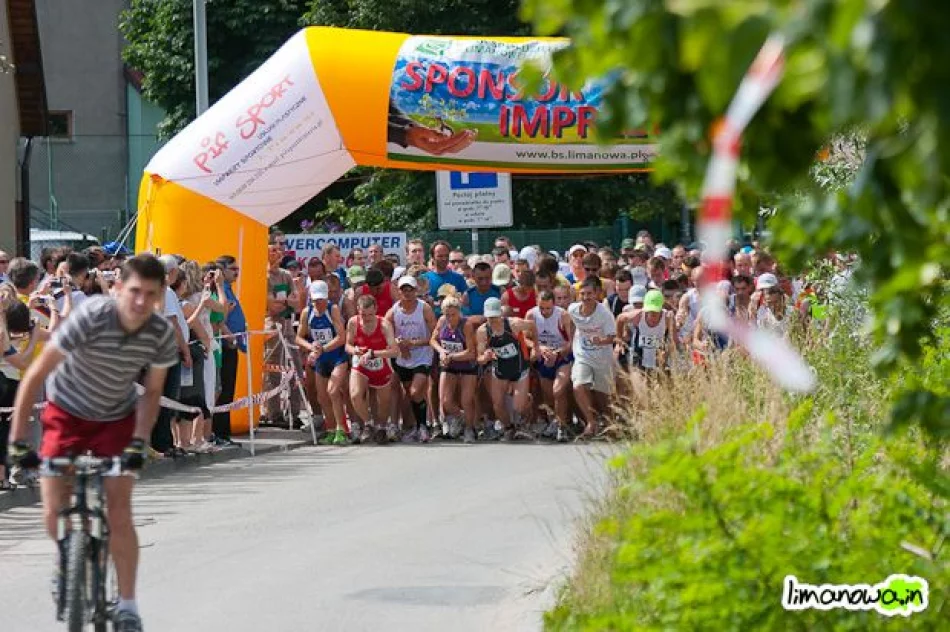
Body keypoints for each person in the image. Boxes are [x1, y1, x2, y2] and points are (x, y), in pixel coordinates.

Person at [7, 254, 178, 632]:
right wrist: (18, 442)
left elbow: (152, 393)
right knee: (53, 502)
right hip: (66, 410)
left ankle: (129, 606)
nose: (140, 302)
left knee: (119, 510)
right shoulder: (91, 316)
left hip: (115, 419)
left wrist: (139, 442)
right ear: (117, 289)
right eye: (134, 291)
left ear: (159, 297)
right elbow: (34, 375)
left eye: (150, 295)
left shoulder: (159, 333)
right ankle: (66, 558)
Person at [297, 281, 349, 445]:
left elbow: (342, 337)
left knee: (333, 391)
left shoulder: (332, 309)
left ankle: (342, 430)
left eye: (321, 300)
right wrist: (310, 346)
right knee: (322, 397)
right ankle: (331, 429)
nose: (318, 304)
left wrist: (323, 348)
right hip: (321, 359)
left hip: (337, 356)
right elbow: (299, 337)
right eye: (315, 300)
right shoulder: (307, 312)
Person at [476, 297, 535, 441]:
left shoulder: (514, 324)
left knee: (518, 407)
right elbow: (479, 357)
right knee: (497, 405)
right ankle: (509, 428)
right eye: (490, 317)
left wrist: (536, 347)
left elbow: (532, 325)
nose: (493, 320)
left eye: (495, 316)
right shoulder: (482, 331)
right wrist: (486, 357)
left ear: (500, 314)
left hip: (519, 369)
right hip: (500, 370)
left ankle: (526, 412)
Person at [387, 276, 437, 442]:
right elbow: (385, 328)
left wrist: (413, 343)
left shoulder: (424, 309)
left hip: (423, 355)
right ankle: (419, 426)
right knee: (410, 393)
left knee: (416, 391)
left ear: (416, 291)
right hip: (403, 358)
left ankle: (423, 427)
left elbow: (434, 336)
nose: (407, 293)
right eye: (404, 290)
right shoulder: (395, 310)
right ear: (399, 291)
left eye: (410, 290)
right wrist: (398, 344)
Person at [345, 294, 399, 444]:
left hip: (381, 364)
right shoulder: (353, 323)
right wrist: (354, 350)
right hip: (361, 364)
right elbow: (347, 345)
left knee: (384, 401)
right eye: (363, 314)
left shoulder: (384, 324)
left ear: (375, 309)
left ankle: (381, 426)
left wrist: (373, 353)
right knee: (355, 395)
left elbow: (395, 351)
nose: (367, 318)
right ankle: (368, 423)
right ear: (358, 310)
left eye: (370, 314)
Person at [567, 277, 616, 438]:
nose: (586, 297)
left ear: (596, 294)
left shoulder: (604, 314)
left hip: (602, 357)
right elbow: (572, 324)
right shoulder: (573, 309)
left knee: (603, 395)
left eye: (589, 293)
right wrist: (571, 341)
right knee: (578, 386)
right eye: (582, 294)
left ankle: (610, 423)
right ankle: (591, 422)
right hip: (583, 355)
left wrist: (600, 340)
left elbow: (612, 337)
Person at [153, 255, 191, 456]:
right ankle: (162, 443)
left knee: (166, 399)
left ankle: (163, 441)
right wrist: (185, 350)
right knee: (166, 398)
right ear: (173, 271)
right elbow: (172, 322)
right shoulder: (165, 290)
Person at [526, 290, 574, 442]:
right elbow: (525, 339)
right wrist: (538, 348)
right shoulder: (531, 315)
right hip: (543, 356)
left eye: (548, 308)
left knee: (558, 390)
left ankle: (562, 426)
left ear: (554, 304)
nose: (545, 312)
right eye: (542, 308)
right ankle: (555, 420)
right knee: (548, 395)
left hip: (562, 357)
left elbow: (572, 342)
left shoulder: (563, 315)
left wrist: (558, 353)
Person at [430, 296, 478, 443]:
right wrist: (441, 351)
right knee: (445, 401)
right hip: (449, 365)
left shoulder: (466, 325)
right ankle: (461, 417)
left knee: (466, 400)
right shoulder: (442, 322)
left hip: (467, 365)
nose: (450, 318)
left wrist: (451, 356)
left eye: (453, 314)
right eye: (447, 314)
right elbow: (432, 340)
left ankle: (469, 429)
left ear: (459, 312)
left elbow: (471, 352)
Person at [213, 255, 245, 446]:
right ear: (222, 270)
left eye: (238, 269)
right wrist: (230, 336)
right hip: (225, 344)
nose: (236, 272)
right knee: (223, 390)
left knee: (228, 389)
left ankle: (224, 432)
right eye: (232, 269)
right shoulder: (221, 291)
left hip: (231, 344)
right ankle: (220, 433)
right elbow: (219, 318)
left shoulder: (228, 289)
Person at [619, 289, 676, 376]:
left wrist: (667, 352)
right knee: (640, 386)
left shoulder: (668, 318)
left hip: (659, 358)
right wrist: (619, 341)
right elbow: (620, 319)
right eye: (650, 311)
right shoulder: (637, 315)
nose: (653, 315)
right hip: (639, 356)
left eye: (656, 312)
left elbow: (673, 341)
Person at [424, 240, 467, 315]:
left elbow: (465, 302)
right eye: (440, 256)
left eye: (446, 255)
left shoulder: (458, 278)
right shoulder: (424, 279)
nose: (444, 258)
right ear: (432, 257)